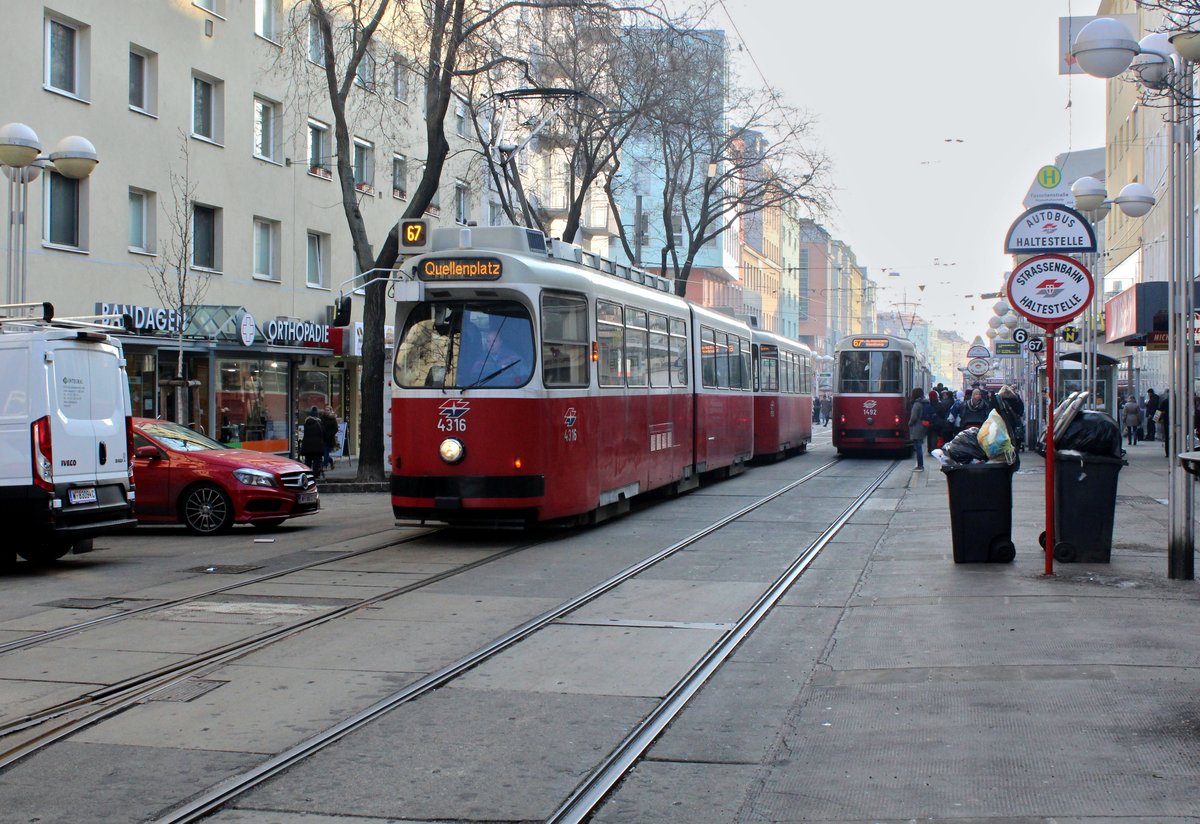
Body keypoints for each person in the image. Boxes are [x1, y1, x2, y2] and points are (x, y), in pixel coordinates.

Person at [300, 406, 326, 478]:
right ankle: (315, 474)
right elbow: (323, 433)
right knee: (316, 461)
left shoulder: (306, 423)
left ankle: (307, 475)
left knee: (308, 461)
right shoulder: (319, 423)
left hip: (307, 446)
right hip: (317, 446)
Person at [908, 387, 928, 471]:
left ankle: (920, 465)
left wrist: (909, 423)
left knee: (918, 446)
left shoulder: (917, 404)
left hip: (917, 427)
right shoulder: (924, 402)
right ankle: (920, 465)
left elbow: (914, 417)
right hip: (923, 426)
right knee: (919, 445)